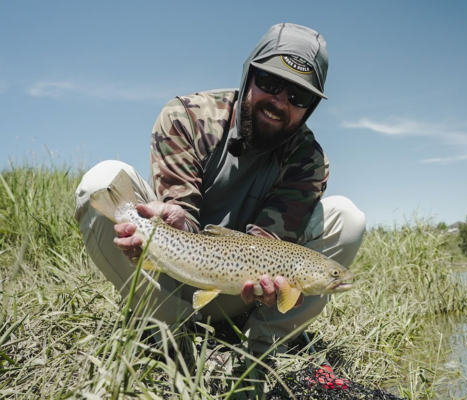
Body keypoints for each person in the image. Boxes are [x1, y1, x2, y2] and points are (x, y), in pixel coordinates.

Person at [75, 23, 365, 360]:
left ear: (310, 107)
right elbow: (180, 211)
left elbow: (267, 245)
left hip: (242, 292)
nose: (279, 102)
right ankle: (171, 335)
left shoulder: (308, 159)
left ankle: (260, 352)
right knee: (101, 181)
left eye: (298, 96)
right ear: (249, 75)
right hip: (177, 271)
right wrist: (172, 224)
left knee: (348, 217)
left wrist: (282, 289)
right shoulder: (186, 116)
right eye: (270, 83)